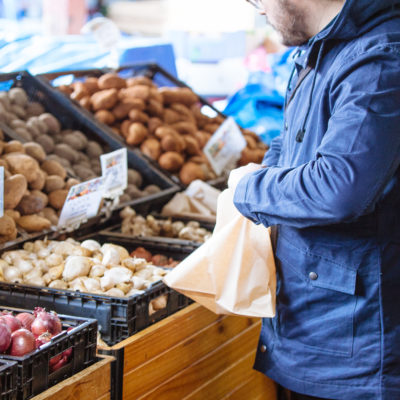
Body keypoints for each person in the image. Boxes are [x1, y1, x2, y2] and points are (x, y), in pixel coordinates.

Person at [228, 0, 400, 399]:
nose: (258, 11)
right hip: (314, 321)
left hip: (356, 343)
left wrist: (247, 191)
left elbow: (340, 188)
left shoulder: (380, 58)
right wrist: (260, 175)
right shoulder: (323, 48)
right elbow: (289, 142)